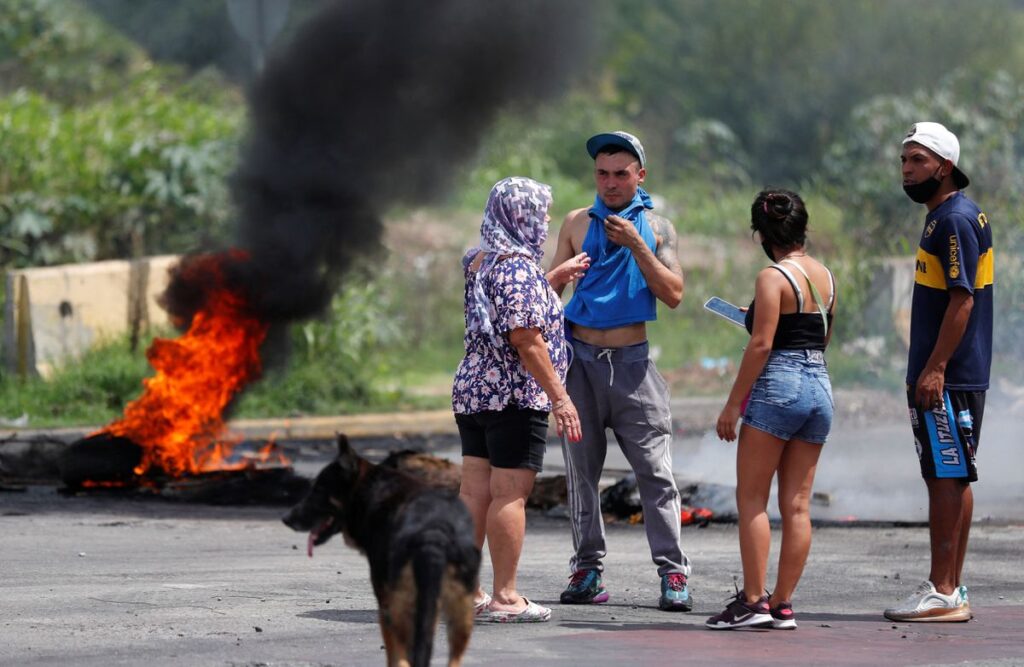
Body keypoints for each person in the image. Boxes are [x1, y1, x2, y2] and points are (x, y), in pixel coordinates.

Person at [547, 131, 692, 611]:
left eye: (620, 174)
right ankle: (586, 569)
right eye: (602, 174)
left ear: (640, 176)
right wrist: (559, 280)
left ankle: (673, 573)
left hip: (633, 366)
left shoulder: (658, 227)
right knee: (581, 474)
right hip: (580, 364)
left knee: (656, 474)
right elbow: (548, 295)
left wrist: (636, 244)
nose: (610, 183)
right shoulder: (576, 223)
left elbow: (674, 294)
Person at [453, 176, 587, 624]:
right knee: (509, 493)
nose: (546, 222)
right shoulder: (518, 269)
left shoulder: (480, 259)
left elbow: (505, 309)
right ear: (520, 216)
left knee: (474, 491)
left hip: (475, 390)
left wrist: (551, 280)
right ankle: (506, 596)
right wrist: (560, 398)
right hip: (513, 394)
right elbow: (526, 339)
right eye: (541, 214)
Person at [706, 189, 836, 630]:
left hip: (779, 383)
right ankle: (781, 604)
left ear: (761, 234)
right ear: (802, 228)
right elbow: (819, 336)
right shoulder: (826, 276)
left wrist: (733, 405)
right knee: (797, 505)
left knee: (752, 499)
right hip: (819, 386)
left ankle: (752, 601)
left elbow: (762, 345)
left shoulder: (772, 277)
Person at [883, 122, 993, 623]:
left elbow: (962, 300)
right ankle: (952, 589)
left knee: (944, 478)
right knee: (954, 475)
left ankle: (943, 590)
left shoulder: (954, 220)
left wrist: (935, 369)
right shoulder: (946, 216)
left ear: (945, 166)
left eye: (918, 161)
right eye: (904, 161)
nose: (907, 171)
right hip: (950, 373)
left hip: (949, 377)